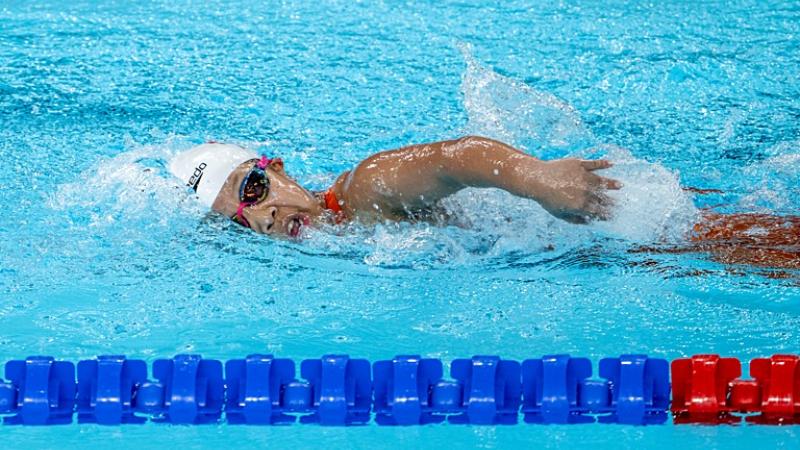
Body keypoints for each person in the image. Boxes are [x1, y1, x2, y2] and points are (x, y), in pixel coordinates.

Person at [169, 136, 799, 269]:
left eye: (253, 190)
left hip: (582, 216)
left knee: (748, 245)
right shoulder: (337, 231)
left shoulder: (362, 189)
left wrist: (540, 182)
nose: (265, 217)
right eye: (243, 220)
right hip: (566, 246)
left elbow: (456, 158)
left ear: (273, 168)